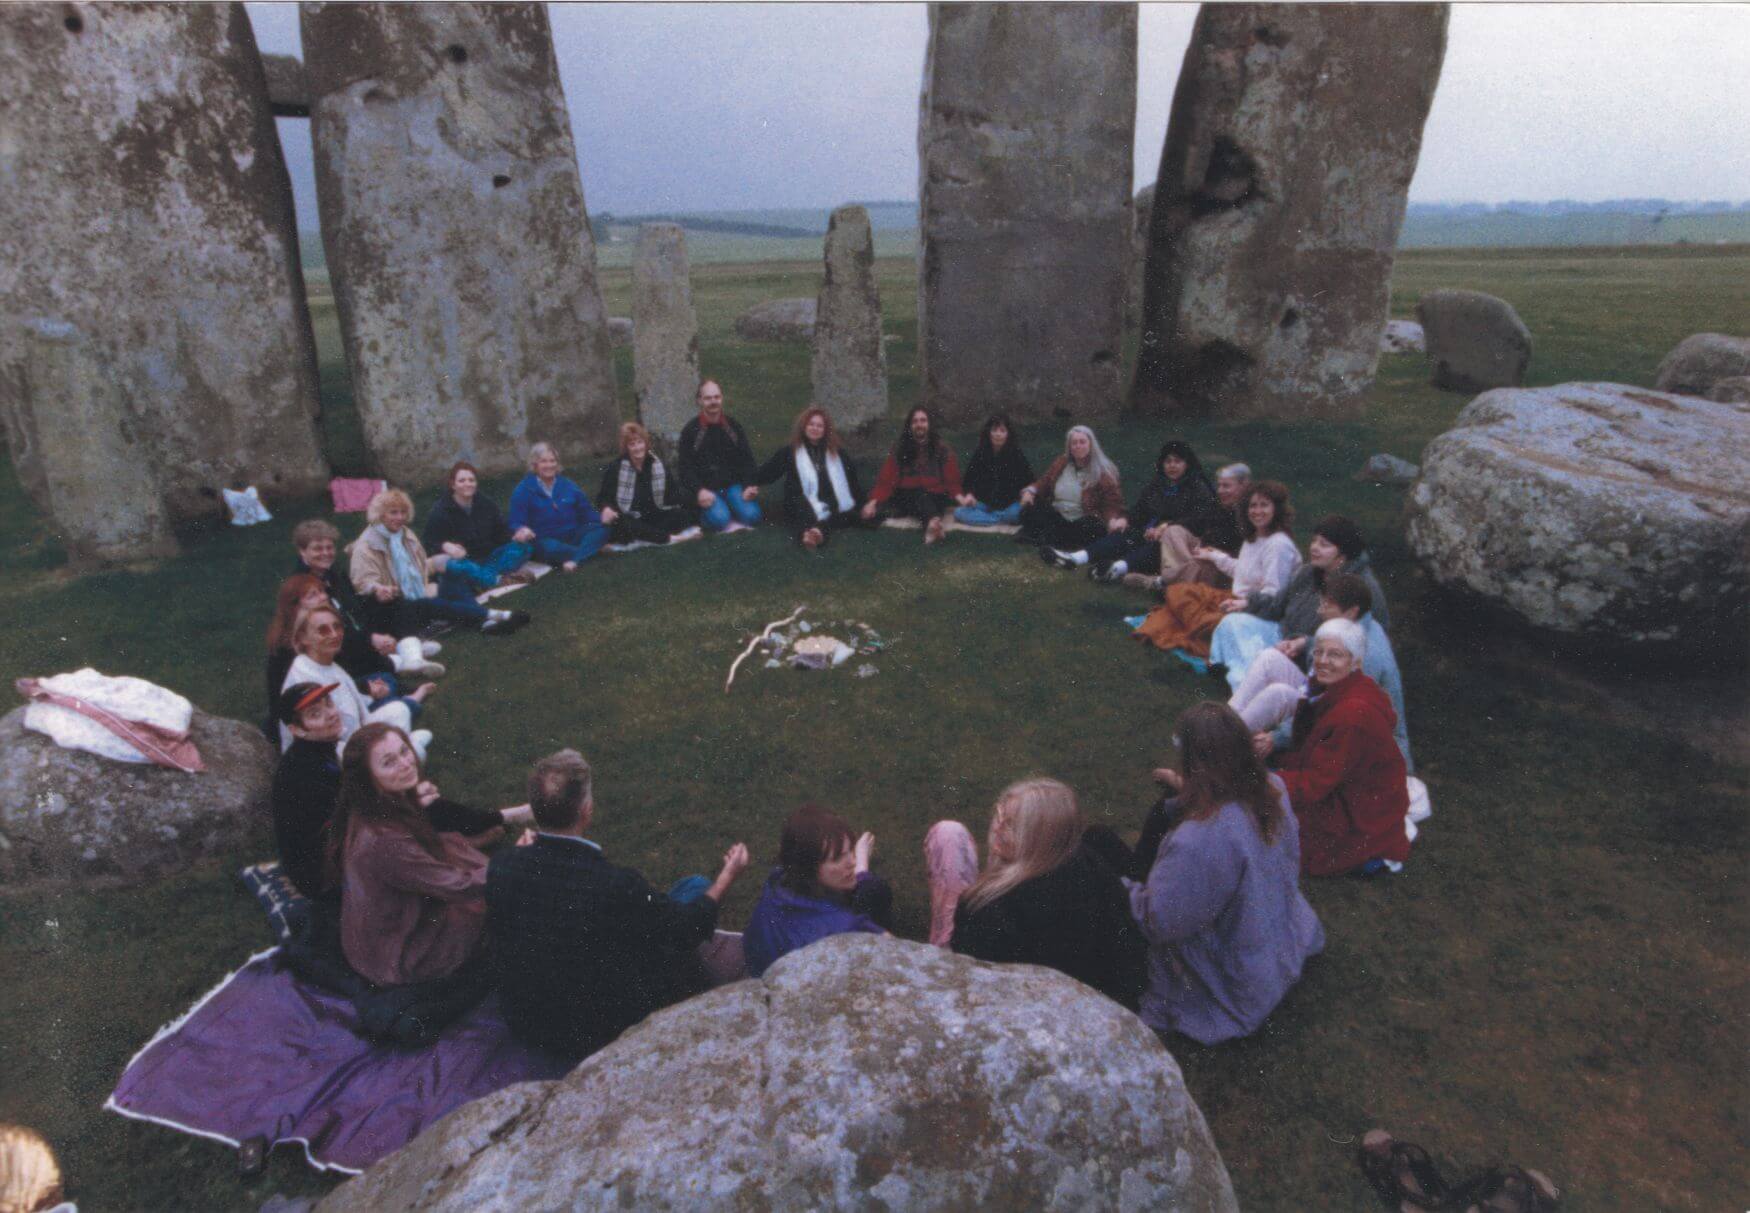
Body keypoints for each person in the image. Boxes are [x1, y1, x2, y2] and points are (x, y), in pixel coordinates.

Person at [486, 748, 752, 1060]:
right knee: (695, 888)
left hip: (527, 1021)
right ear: (586, 810)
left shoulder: (503, 865)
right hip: (597, 1030)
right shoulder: (615, 885)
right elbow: (685, 930)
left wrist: (524, 857)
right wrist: (727, 876)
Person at [1126, 703, 1324, 1045]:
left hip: (1229, 979)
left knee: (1093, 859)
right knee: (1152, 817)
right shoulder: (1271, 788)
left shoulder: (1202, 839)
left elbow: (1159, 922)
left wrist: (1121, 890)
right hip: (1265, 938)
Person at [275, 687, 533, 904]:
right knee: (421, 806)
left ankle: (472, 832)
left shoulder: (317, 752)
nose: (331, 714)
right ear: (297, 730)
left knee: (416, 799)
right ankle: (495, 821)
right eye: (315, 714)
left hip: (343, 847)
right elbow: (349, 827)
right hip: (327, 877)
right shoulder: (305, 773)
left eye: (328, 704)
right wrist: (404, 801)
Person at [923, 778, 1146, 1009]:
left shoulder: (988, 909)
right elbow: (1130, 959)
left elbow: (972, 981)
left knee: (947, 836)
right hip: (1097, 1003)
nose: (997, 827)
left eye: (1010, 825)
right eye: (1000, 815)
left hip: (1023, 1009)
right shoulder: (1090, 864)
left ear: (1038, 839)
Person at [328, 724, 504, 991]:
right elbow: (460, 887)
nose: (405, 764)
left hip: (374, 936)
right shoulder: (385, 841)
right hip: (399, 957)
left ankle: (479, 850)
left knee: (454, 848)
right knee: (494, 906)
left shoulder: (370, 806)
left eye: (403, 751)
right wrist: (513, 866)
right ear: (368, 778)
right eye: (389, 762)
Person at [1230, 573, 1412, 770]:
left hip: (1364, 740)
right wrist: (1304, 643)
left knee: (1279, 694)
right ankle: (1225, 723)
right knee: (1269, 659)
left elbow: (1328, 711)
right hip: (1328, 704)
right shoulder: (1359, 624)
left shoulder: (1365, 656)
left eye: (1326, 606)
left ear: (1351, 612)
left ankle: (1222, 738)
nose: (1319, 611)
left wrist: (1278, 737)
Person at [1275, 617, 1412, 876]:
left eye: (1335, 655)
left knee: (1276, 834)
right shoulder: (1331, 688)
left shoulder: (1353, 715)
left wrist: (1269, 782)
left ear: (1356, 663)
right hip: (1341, 785)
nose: (1323, 661)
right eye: (1319, 652)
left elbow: (1316, 783)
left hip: (1358, 808)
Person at [1208, 514, 1390, 689]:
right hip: (1284, 637)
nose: (1314, 548)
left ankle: (1252, 685)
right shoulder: (1308, 572)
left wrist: (1306, 643)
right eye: (1314, 541)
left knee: (1263, 657)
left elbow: (1359, 642)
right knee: (1234, 622)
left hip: (1314, 656)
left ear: (1343, 555)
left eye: (1324, 544)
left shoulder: (1361, 588)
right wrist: (1249, 603)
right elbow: (1277, 605)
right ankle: (1253, 681)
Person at [1133, 480, 1301, 657]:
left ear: (1277, 509)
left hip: (1255, 612)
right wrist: (1215, 556)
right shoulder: (1255, 537)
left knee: (1200, 617)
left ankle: (1202, 627)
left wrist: (1244, 604)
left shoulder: (1278, 546)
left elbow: (1273, 595)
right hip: (1233, 599)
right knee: (1178, 592)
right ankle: (1198, 623)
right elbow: (1243, 571)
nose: (1257, 511)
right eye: (1253, 506)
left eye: (1264, 505)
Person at [264, 574, 437, 741]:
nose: (323, 597)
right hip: (329, 732)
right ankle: (410, 698)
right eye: (313, 595)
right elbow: (325, 721)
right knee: (395, 699)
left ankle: (408, 663)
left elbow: (343, 680)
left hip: (348, 707)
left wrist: (367, 687)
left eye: (336, 627)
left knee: (393, 700)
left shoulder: (324, 647)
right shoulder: (293, 659)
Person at [350, 489, 529, 635]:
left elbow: (419, 567)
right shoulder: (366, 546)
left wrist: (442, 562)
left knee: (453, 570)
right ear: (380, 514)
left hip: (418, 589)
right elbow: (363, 583)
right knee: (444, 599)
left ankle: (486, 620)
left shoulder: (404, 534)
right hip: (396, 604)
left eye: (403, 512)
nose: (400, 517)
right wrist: (378, 588)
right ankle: (494, 616)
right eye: (393, 512)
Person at [743, 804, 892, 976]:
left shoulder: (777, 882)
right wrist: (862, 869)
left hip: (761, 971)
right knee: (873, 891)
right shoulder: (846, 929)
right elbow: (898, 955)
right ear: (808, 868)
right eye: (838, 858)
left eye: (851, 850)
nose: (852, 861)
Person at [1044, 440, 1223, 580]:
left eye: (1177, 461)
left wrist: (1165, 527)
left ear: (1187, 464)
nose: (1172, 466)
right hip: (1148, 532)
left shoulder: (1198, 487)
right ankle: (1076, 558)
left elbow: (1199, 519)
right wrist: (1125, 519)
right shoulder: (1158, 484)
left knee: (1155, 547)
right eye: (1168, 461)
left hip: (1176, 540)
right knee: (1123, 535)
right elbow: (1140, 510)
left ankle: (1115, 570)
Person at [278, 605, 432, 757]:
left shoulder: (329, 663)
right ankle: (409, 750)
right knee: (412, 746)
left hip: (354, 734)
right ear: (303, 638)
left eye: (337, 627)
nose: (334, 634)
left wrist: (372, 695)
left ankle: (403, 748)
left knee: (399, 710)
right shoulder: (303, 676)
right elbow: (329, 737)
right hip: (331, 750)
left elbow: (355, 707)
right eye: (323, 630)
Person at [293, 519, 425, 668]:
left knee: (393, 602)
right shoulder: (301, 585)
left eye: (329, 548)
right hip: (334, 640)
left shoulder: (333, 571)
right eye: (318, 549)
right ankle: (407, 656)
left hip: (355, 631)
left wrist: (377, 594)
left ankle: (409, 650)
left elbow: (353, 605)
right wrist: (370, 639)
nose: (325, 553)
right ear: (302, 551)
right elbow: (330, 625)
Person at [753, 406, 867, 549]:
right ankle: (816, 533)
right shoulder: (790, 451)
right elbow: (768, 473)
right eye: (811, 424)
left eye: (819, 425)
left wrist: (863, 504)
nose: (815, 428)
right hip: (799, 500)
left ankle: (812, 533)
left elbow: (852, 483)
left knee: (838, 507)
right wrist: (748, 480)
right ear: (804, 427)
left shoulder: (838, 454)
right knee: (805, 510)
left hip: (828, 500)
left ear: (826, 430)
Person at [421, 461, 535, 591]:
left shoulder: (486, 504)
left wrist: (517, 536)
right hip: (464, 562)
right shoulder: (441, 511)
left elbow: (501, 532)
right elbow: (429, 544)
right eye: (462, 481)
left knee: (524, 548)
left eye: (471, 480)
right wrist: (446, 546)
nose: (467, 484)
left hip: (489, 559)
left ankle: (482, 580)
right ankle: (496, 580)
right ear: (453, 485)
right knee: (456, 566)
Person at [861, 406, 962, 544]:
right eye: (915, 421)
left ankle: (932, 524)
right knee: (916, 495)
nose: (919, 424)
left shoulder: (942, 448)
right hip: (908, 494)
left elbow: (952, 480)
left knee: (927, 499)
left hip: (936, 495)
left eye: (923, 420)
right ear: (910, 425)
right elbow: (886, 479)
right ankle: (933, 523)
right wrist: (872, 503)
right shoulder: (900, 448)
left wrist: (961, 498)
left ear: (929, 424)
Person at [1015, 426, 1125, 552]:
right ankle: (1052, 538)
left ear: (1091, 444)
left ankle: (1045, 537)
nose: (1078, 446)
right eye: (1074, 443)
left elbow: (1112, 504)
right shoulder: (1061, 462)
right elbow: (1044, 482)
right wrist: (1030, 491)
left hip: (1081, 520)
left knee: (1093, 527)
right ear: (1069, 447)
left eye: (1082, 442)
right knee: (1029, 508)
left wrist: (1112, 520)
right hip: (1057, 516)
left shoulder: (1104, 473)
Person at [506, 443, 610, 572]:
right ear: (535, 465)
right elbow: (515, 522)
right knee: (551, 548)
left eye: (552, 461)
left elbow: (586, 512)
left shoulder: (567, 485)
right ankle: (588, 551)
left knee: (602, 529)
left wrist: (602, 519)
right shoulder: (523, 490)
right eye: (543, 461)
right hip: (544, 540)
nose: (549, 465)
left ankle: (575, 558)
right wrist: (521, 529)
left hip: (572, 534)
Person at [596, 422, 703, 547]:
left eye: (640, 442)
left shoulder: (657, 464)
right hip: (630, 517)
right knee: (624, 523)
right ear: (626, 448)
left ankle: (646, 538)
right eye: (632, 444)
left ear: (645, 444)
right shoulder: (616, 468)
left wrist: (693, 497)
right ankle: (671, 538)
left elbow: (672, 493)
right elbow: (603, 498)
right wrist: (607, 508)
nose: (637, 448)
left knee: (681, 515)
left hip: (654, 515)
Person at [676, 380, 763, 532]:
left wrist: (749, 485)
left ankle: (728, 507)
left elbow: (747, 460)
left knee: (753, 516)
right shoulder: (691, 431)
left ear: (722, 398)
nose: (713, 402)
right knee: (720, 520)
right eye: (708, 398)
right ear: (699, 401)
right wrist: (699, 491)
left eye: (717, 397)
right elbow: (684, 468)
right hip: (707, 490)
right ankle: (704, 513)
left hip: (732, 486)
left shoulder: (733, 426)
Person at [953, 413, 1035, 528]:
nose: (998, 434)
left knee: (1017, 513)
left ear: (1008, 434)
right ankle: (998, 519)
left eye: (1002, 431)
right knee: (959, 513)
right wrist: (970, 495)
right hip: (983, 504)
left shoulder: (1016, 454)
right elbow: (969, 480)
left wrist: (1027, 493)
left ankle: (990, 518)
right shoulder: (980, 453)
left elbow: (1030, 480)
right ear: (989, 433)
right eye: (994, 430)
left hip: (1009, 505)